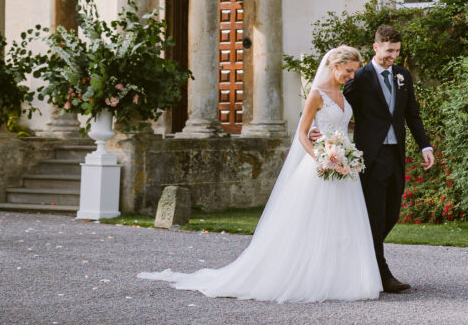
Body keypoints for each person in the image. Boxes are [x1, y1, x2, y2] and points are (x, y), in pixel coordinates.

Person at [138, 46, 382, 303]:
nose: (352, 76)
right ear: (335, 66)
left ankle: (340, 280)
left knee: (344, 224)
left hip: (343, 167)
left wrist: (343, 151)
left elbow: (340, 126)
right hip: (322, 167)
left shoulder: (343, 94)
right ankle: (309, 277)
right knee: (314, 223)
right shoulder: (316, 95)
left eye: (354, 71)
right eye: (348, 71)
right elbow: (302, 133)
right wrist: (322, 157)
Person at [339, 24, 434, 293]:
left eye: (397, 51)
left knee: (392, 211)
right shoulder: (360, 77)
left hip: (395, 154)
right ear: (376, 47)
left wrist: (425, 146)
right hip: (370, 156)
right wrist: (319, 130)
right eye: (389, 50)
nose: (393, 55)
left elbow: (411, 114)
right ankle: (381, 274)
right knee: (375, 215)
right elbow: (338, 106)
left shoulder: (402, 75)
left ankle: (361, 257)